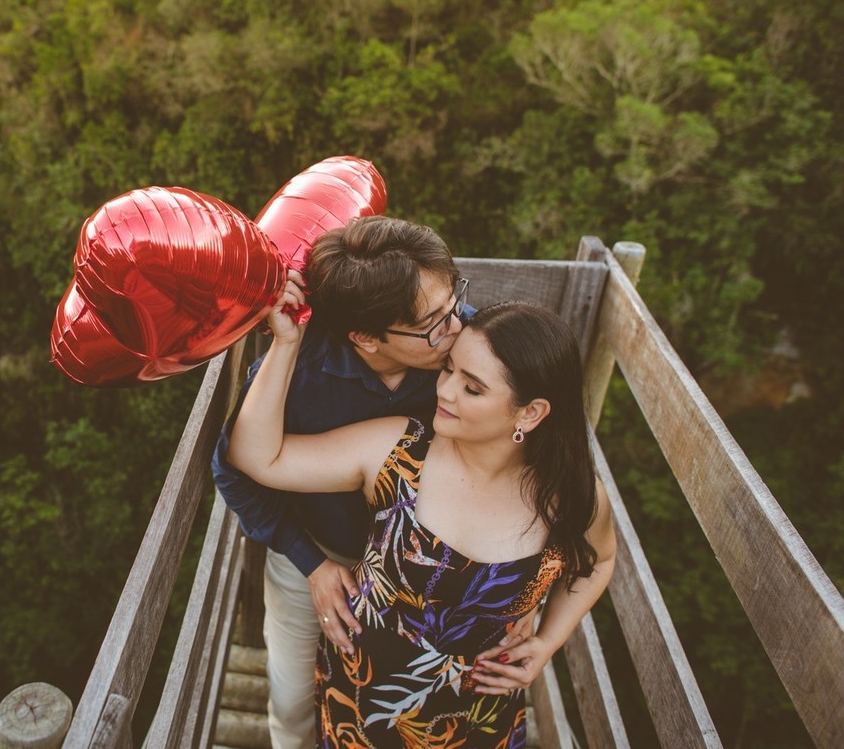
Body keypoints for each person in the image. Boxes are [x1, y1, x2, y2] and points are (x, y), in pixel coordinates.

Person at [228, 286, 617, 748]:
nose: (444, 390)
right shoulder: (398, 451)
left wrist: (549, 640)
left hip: (474, 723)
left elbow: (600, 562)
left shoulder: (571, 497)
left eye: (472, 387)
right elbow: (256, 457)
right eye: (448, 369)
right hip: (361, 703)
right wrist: (286, 343)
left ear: (530, 413)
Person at [212, 217, 523, 749]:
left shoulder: (471, 352)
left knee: (408, 713)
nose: (456, 327)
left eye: (455, 303)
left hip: (431, 573)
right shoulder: (299, 372)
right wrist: (310, 563)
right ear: (365, 337)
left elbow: (532, 454)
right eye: (432, 323)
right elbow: (237, 473)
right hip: (315, 550)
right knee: (291, 703)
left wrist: (527, 598)